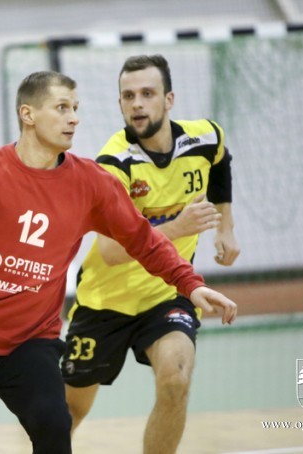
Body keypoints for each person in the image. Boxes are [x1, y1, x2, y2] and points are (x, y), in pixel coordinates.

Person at [0, 70, 237, 453]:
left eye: (76, 108)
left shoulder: (91, 182)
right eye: (62, 107)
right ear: (28, 114)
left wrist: (190, 284)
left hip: (30, 344)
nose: (74, 118)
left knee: (54, 424)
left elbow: (142, 239)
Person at [61, 54, 240, 453]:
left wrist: (225, 226)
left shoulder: (203, 138)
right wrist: (178, 227)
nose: (137, 103)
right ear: (120, 105)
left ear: (169, 99)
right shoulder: (113, 164)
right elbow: (110, 251)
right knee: (70, 411)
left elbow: (221, 160)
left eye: (147, 93)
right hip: (105, 301)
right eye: (128, 96)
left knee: (176, 381)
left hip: (166, 294)